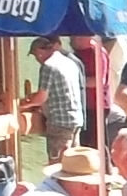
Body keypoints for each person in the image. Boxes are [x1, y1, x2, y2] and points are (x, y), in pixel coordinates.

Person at [26, 33, 85, 162]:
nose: (37, 59)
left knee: (57, 164)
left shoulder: (48, 66)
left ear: (40, 51)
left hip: (60, 123)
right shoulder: (69, 62)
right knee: (72, 164)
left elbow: (41, 98)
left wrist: (22, 105)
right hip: (75, 120)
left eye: (36, 55)